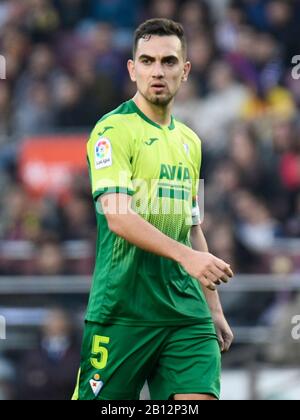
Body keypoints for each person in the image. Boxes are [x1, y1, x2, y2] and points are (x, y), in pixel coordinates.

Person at [73, 18, 234, 401]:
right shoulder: (112, 131)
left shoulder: (191, 142)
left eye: (168, 61)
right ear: (132, 70)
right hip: (123, 311)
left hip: (185, 313)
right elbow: (118, 216)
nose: (157, 71)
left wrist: (213, 307)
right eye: (146, 61)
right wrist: (188, 258)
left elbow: (192, 225)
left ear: (185, 70)